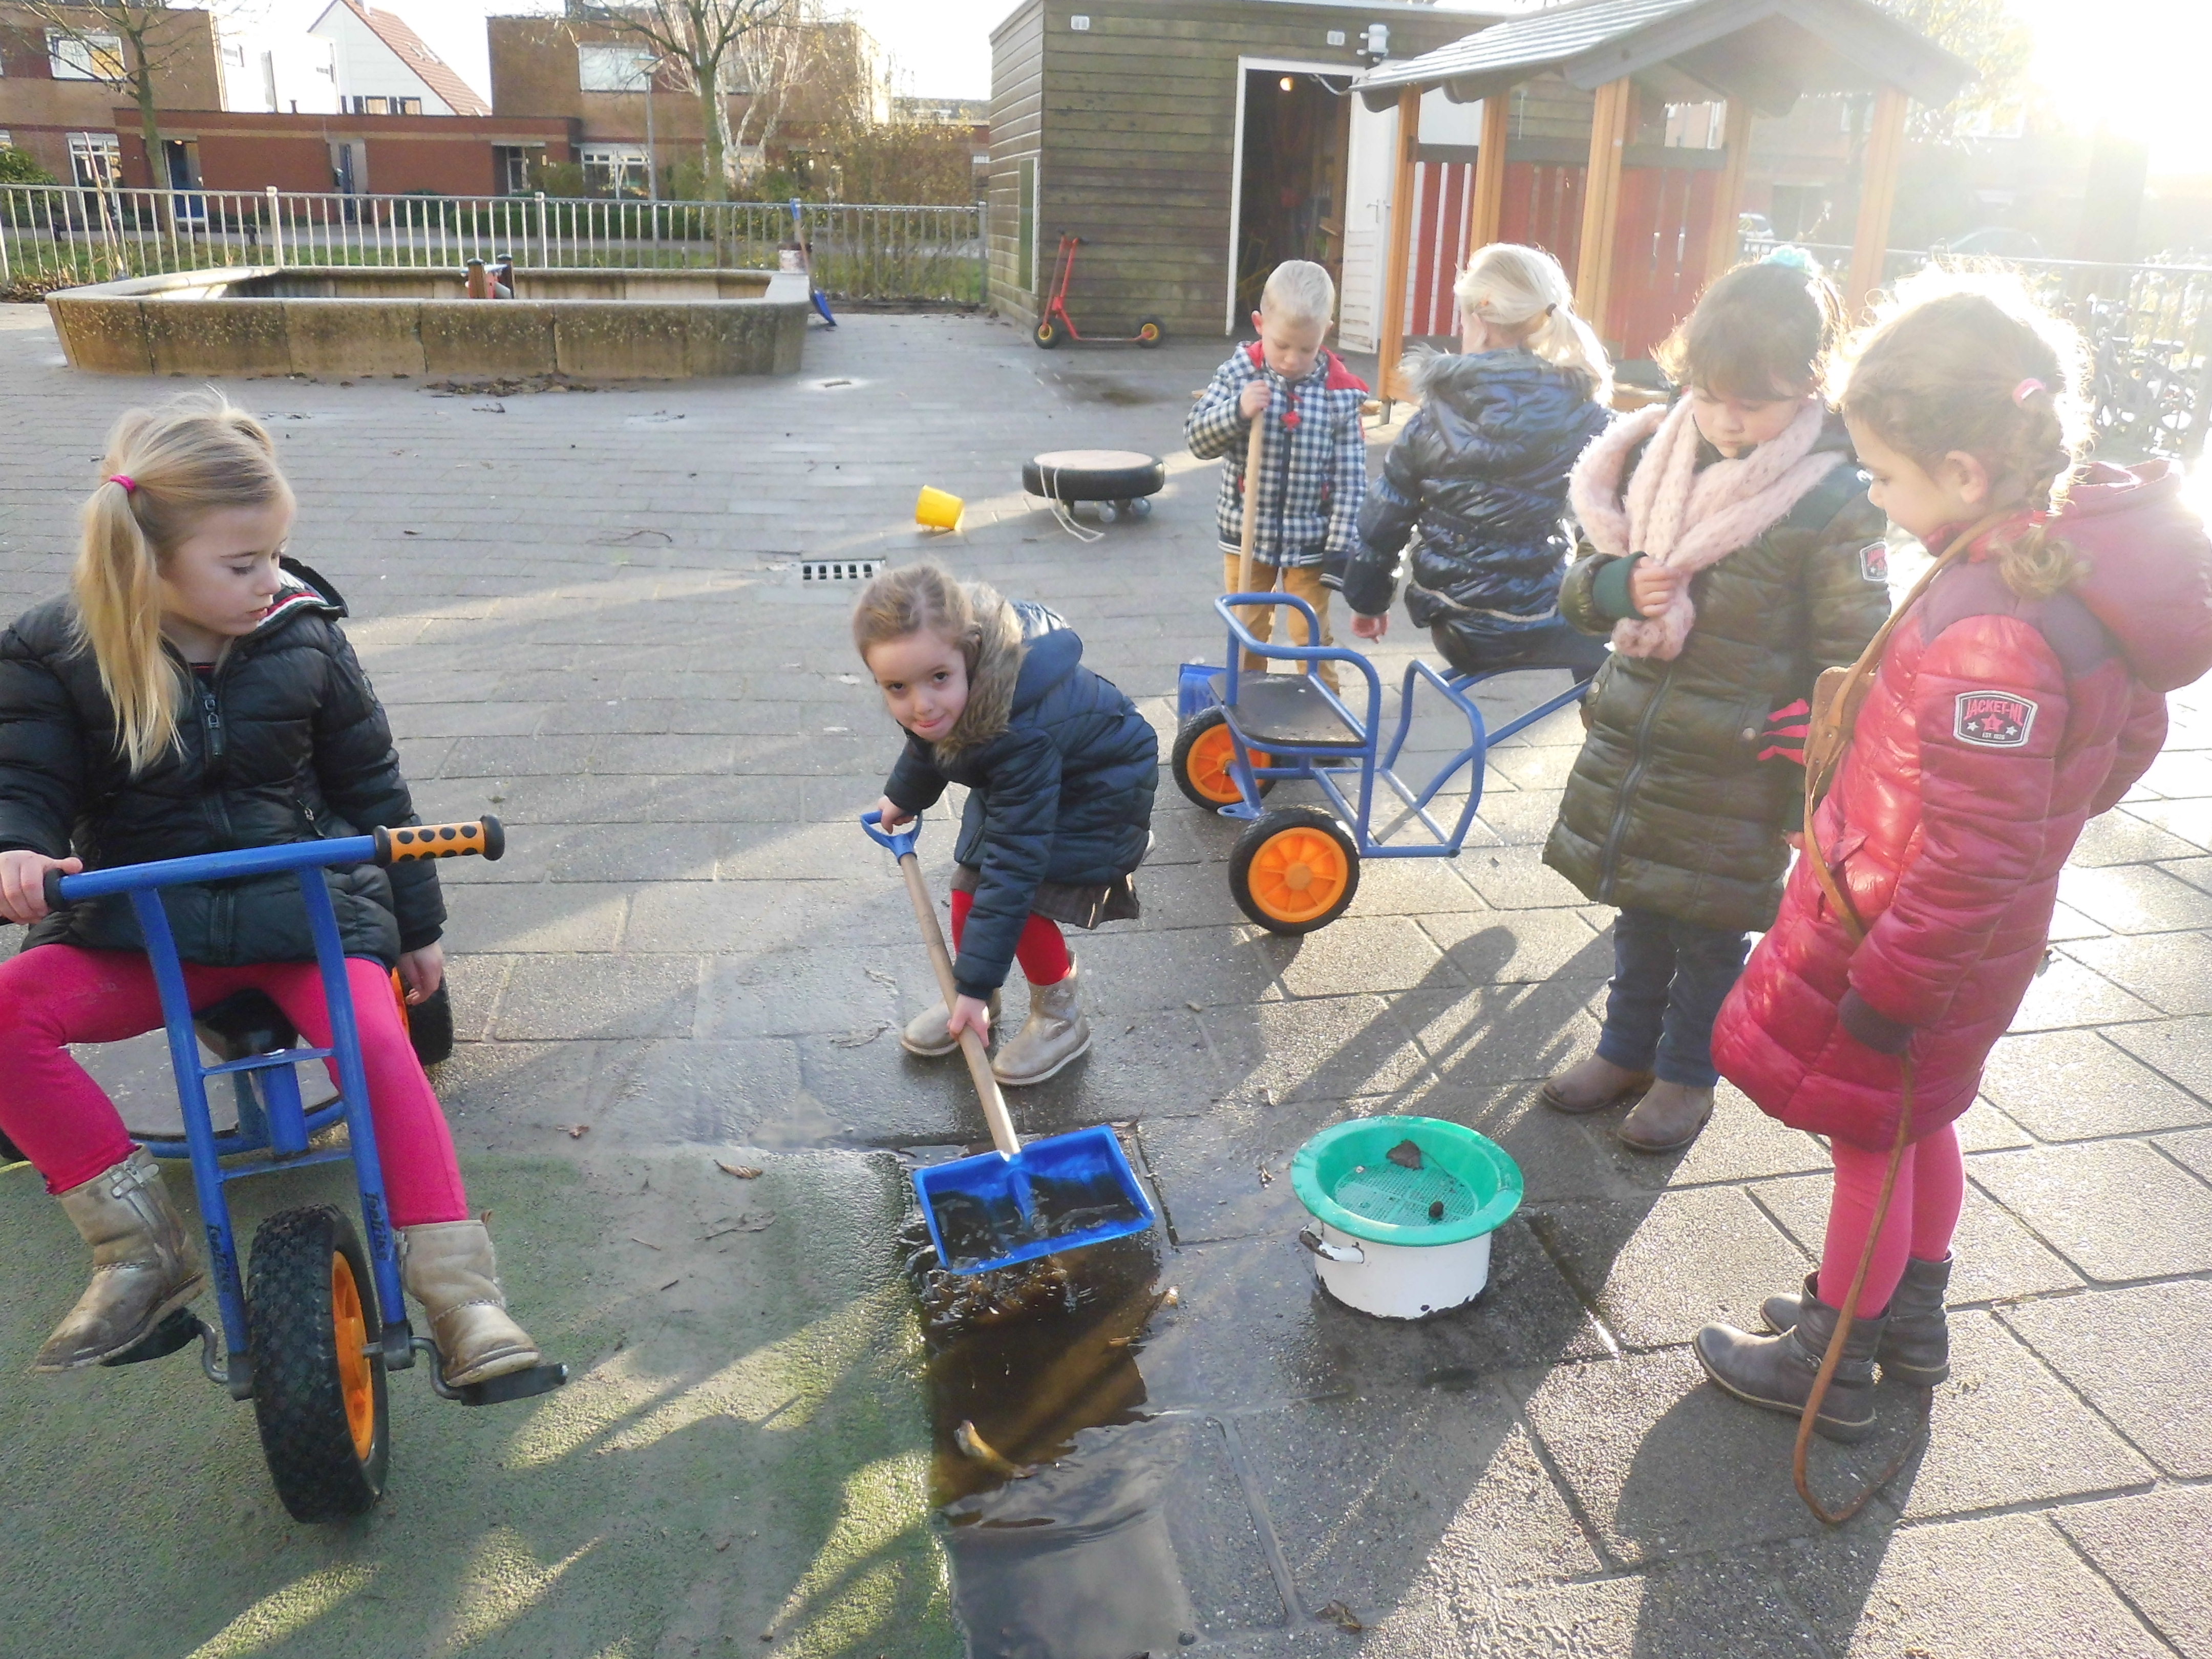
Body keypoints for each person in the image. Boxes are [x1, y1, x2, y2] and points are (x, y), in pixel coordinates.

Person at [1696, 272, 2212, 1439]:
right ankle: (1910, 1314)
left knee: (1868, 1143)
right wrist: (2039, 821)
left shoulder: (1991, 623)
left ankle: (1832, 1357)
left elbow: (1976, 848)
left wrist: (1894, 980)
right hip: (1963, 937)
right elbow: (2124, 738)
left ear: (1965, 473)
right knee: (1918, 1120)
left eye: (1883, 474)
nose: (1874, 495)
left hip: (1913, 945)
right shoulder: (2050, 572)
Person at [0, 395, 541, 1387]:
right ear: (149, 560)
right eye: (243, 564)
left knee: (378, 1044)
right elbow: (26, 781)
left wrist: (416, 923)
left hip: (306, 915)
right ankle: (137, 1250)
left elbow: (374, 788)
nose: (271, 581)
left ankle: (462, 1296)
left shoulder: (305, 635)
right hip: (145, 925)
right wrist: (19, 850)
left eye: (276, 555)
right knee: (7, 1015)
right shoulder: (56, 651)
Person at [1540, 257, 1893, 1153]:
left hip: (1743, 759)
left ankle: (1688, 1075)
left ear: (1810, 385)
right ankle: (1625, 1050)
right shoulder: (1655, 455)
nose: (1729, 420)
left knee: (1708, 931)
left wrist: (1812, 769)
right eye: (1710, 396)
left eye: (1755, 403)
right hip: (1644, 738)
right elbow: (1579, 587)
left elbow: (1854, 653)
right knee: (1641, 909)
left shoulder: (1831, 499)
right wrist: (1615, 586)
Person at [860, 564, 1158, 1087]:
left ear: (972, 654)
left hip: (1098, 790)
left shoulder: (1022, 733)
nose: (921, 704)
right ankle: (978, 1002)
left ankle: (1061, 1018)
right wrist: (903, 796)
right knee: (969, 891)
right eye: (897, 687)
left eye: (938, 679)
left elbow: (1016, 862)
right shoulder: (946, 697)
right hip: (1027, 778)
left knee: (1025, 904)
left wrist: (973, 986)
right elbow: (926, 742)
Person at [1339, 243, 1613, 676]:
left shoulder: (1434, 417)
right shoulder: (1580, 412)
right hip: (1543, 614)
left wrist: (1367, 602)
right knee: (1620, 642)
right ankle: (1601, 716)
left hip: (1458, 623)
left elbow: (1385, 518)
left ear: (1481, 322)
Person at [1184, 260, 1371, 692]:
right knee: (1248, 629)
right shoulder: (1239, 373)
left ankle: (1326, 708)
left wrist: (1341, 548)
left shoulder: (1341, 393)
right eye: (1282, 345)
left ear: (1326, 332)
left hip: (1311, 540)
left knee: (1311, 635)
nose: (1291, 360)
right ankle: (1249, 703)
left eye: (1306, 349)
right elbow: (1196, 439)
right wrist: (1237, 411)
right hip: (1247, 536)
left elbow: (1351, 480)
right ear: (1259, 324)